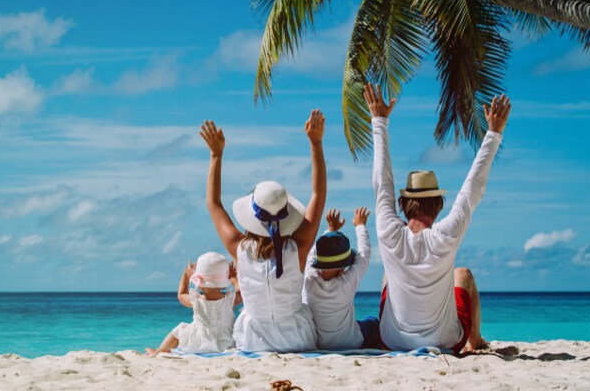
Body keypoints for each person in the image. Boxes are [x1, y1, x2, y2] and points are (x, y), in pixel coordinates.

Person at [365, 83, 511, 354]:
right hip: (445, 342)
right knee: (463, 274)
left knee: (388, 274)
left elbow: (381, 182)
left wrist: (379, 121)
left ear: (402, 205)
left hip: (392, 341)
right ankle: (475, 341)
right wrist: (493, 133)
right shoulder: (446, 235)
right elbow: (472, 188)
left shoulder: (388, 231)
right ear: (439, 205)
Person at [199, 110, 327, 352]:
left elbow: (213, 203)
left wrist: (216, 155)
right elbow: (318, 195)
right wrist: (316, 143)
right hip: (297, 339)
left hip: (252, 341)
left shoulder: (240, 248)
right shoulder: (298, 249)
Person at [303, 207, 380, 349]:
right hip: (351, 343)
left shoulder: (309, 281)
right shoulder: (346, 283)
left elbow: (312, 254)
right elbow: (364, 254)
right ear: (343, 267)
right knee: (373, 322)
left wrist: (331, 230)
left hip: (321, 344)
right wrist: (360, 225)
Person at [145, 252, 242, 355]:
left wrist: (186, 277)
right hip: (226, 342)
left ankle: (159, 351)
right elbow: (241, 293)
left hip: (200, 342)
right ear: (223, 283)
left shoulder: (196, 300)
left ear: (199, 283)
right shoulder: (230, 299)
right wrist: (233, 279)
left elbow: (181, 295)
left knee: (180, 329)